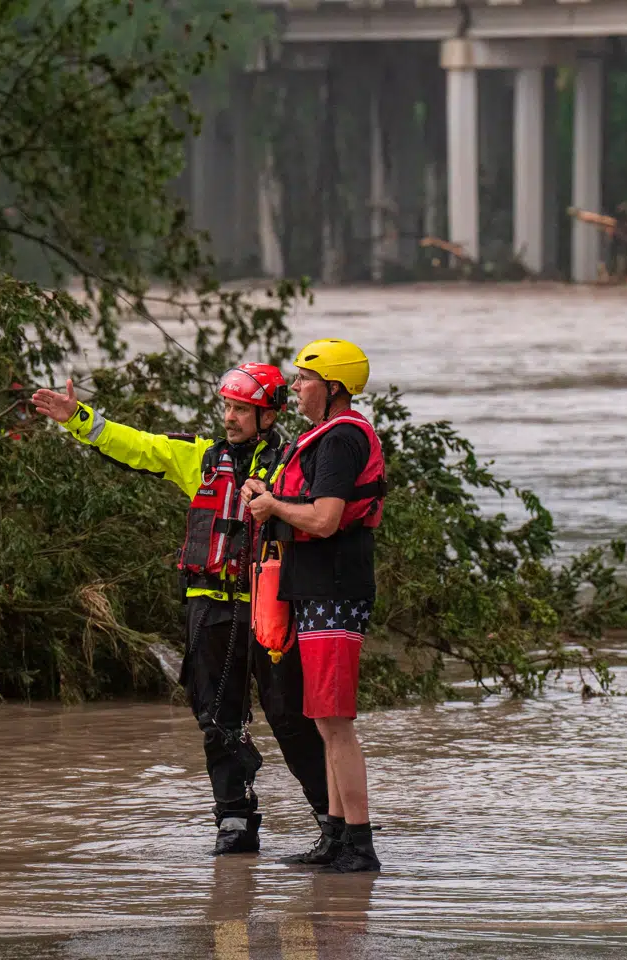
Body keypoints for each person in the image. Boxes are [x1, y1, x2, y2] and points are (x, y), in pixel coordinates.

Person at [31, 364, 330, 856]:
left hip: (271, 606)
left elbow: (320, 515)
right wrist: (77, 418)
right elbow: (135, 444)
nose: (230, 418)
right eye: (227, 407)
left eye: (241, 410)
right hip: (209, 604)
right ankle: (234, 818)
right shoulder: (201, 457)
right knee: (215, 715)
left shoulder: (293, 461)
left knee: (289, 715)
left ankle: (331, 818)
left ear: (268, 415)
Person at [243, 339, 386, 873]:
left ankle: (359, 843)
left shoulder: (342, 439)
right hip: (316, 590)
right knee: (323, 719)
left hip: (335, 591)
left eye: (304, 380)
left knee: (334, 720)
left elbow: (325, 519)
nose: (295, 388)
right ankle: (335, 837)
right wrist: (272, 495)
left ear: (332, 389)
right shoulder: (325, 438)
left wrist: (274, 503)